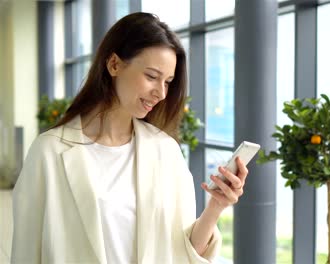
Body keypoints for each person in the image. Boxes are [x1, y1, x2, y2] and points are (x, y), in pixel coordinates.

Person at [11, 12, 248, 264]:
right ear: (114, 64)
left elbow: (184, 252)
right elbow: (26, 250)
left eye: (168, 82)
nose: (161, 93)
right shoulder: (49, 152)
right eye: (152, 76)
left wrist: (216, 207)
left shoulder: (165, 151)